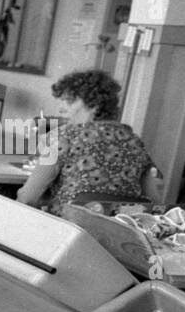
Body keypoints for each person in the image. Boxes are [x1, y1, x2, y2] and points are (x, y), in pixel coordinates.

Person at [17, 69, 155, 215]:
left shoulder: (63, 136)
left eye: (69, 102)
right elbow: (153, 198)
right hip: (121, 227)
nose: (61, 109)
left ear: (94, 105)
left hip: (72, 225)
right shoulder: (134, 141)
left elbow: (27, 198)